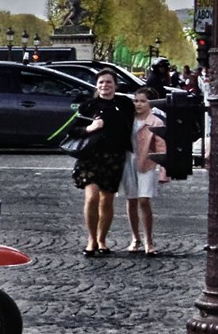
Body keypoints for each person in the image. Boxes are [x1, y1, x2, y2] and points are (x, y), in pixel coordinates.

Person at [69, 72, 134, 257]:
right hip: (91, 157)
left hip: (114, 157)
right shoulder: (89, 105)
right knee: (92, 197)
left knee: (107, 200)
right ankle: (91, 239)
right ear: (96, 85)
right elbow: (71, 129)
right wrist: (89, 128)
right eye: (101, 82)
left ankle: (101, 239)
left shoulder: (124, 104)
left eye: (109, 82)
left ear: (116, 85)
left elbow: (142, 111)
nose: (105, 85)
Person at [123, 78, 166, 254]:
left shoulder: (156, 122)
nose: (138, 104)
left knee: (143, 200)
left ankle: (149, 239)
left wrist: (163, 171)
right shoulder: (128, 120)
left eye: (143, 101)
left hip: (147, 163)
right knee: (131, 200)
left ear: (151, 103)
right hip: (128, 162)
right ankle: (135, 238)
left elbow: (162, 147)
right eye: (136, 100)